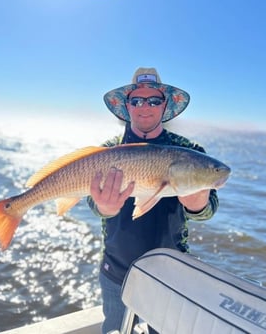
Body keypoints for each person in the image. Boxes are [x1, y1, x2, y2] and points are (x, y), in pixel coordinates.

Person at [87, 67, 219, 334]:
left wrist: (198, 205)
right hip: (116, 272)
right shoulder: (106, 151)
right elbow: (92, 202)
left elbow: (209, 209)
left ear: (165, 105)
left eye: (154, 100)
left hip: (171, 274)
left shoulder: (190, 152)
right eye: (136, 100)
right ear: (127, 106)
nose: (144, 106)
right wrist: (103, 207)